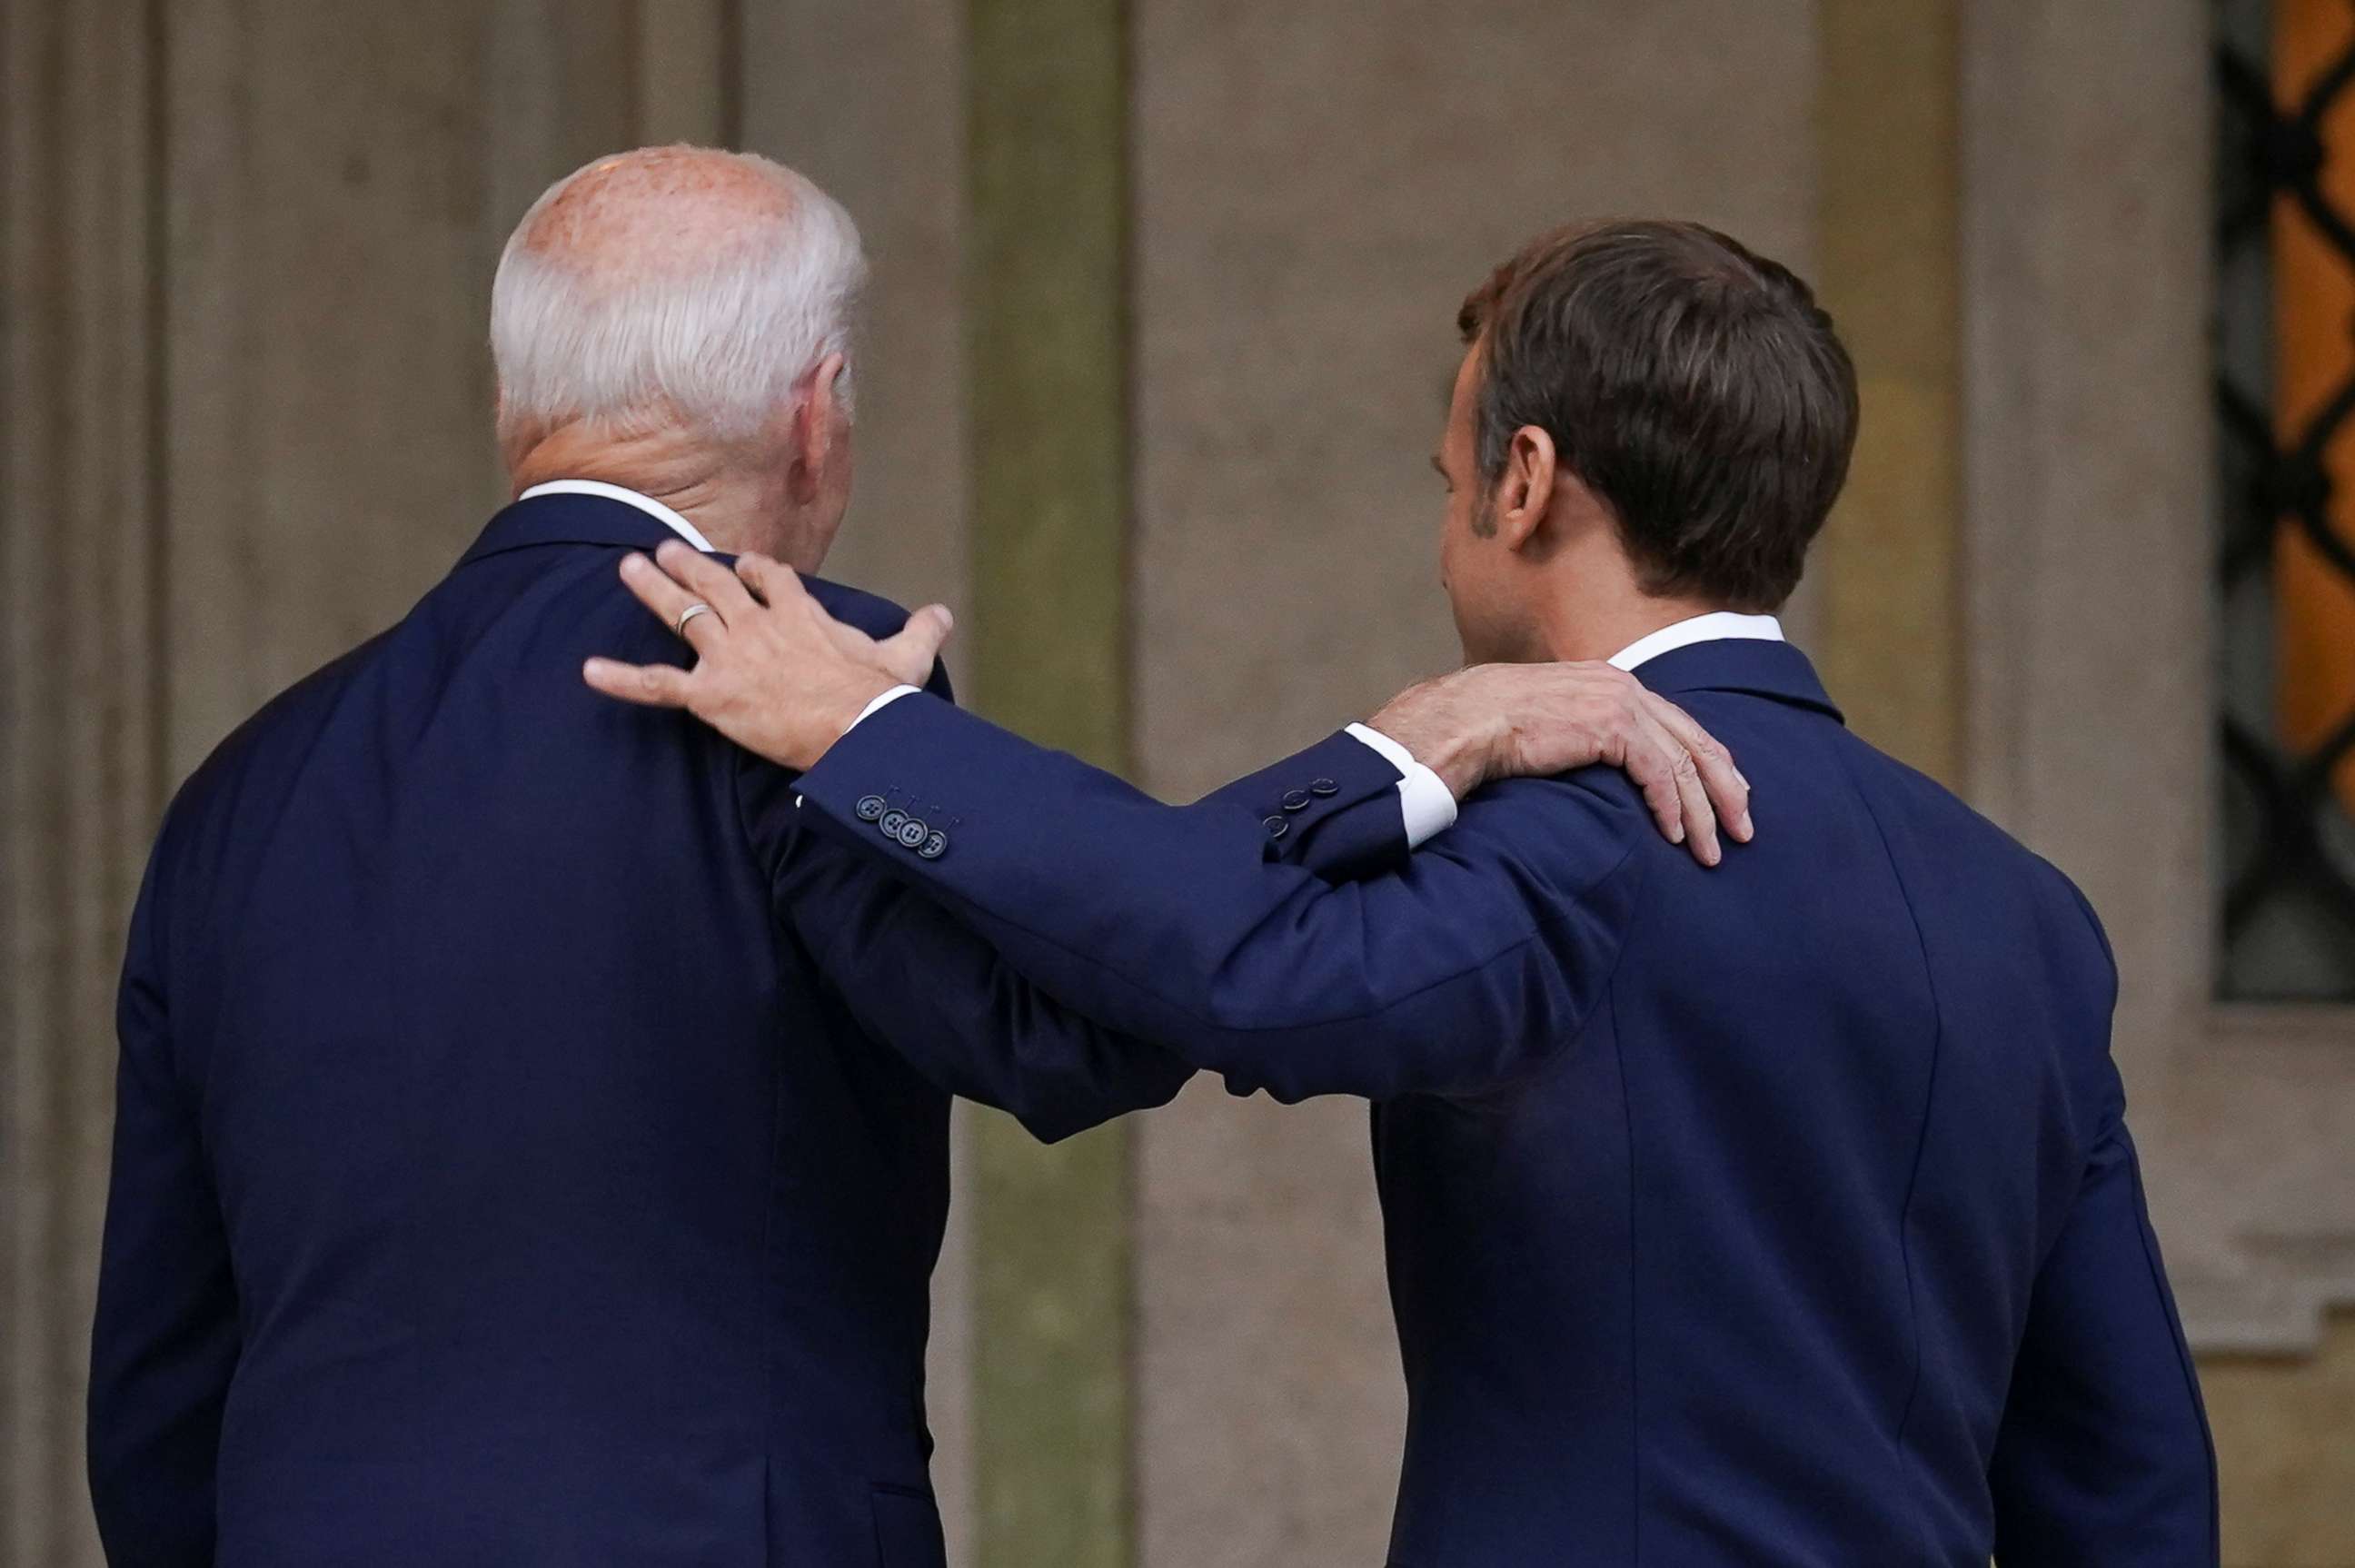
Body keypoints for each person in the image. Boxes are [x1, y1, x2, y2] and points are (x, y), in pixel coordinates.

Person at [84, 148, 1744, 1567]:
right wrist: (1405, 750)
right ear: (818, 418)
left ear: (521, 405)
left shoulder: (243, 789)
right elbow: (1076, 1022)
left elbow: (159, 1389)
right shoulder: (802, 687)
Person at [595, 219, 2221, 1565]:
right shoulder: (2027, 914)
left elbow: (1235, 962)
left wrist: (864, 731)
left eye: (1444, 483)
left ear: (1524, 481)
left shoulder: (1586, 830)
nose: (1448, 535)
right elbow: (2125, 1475)